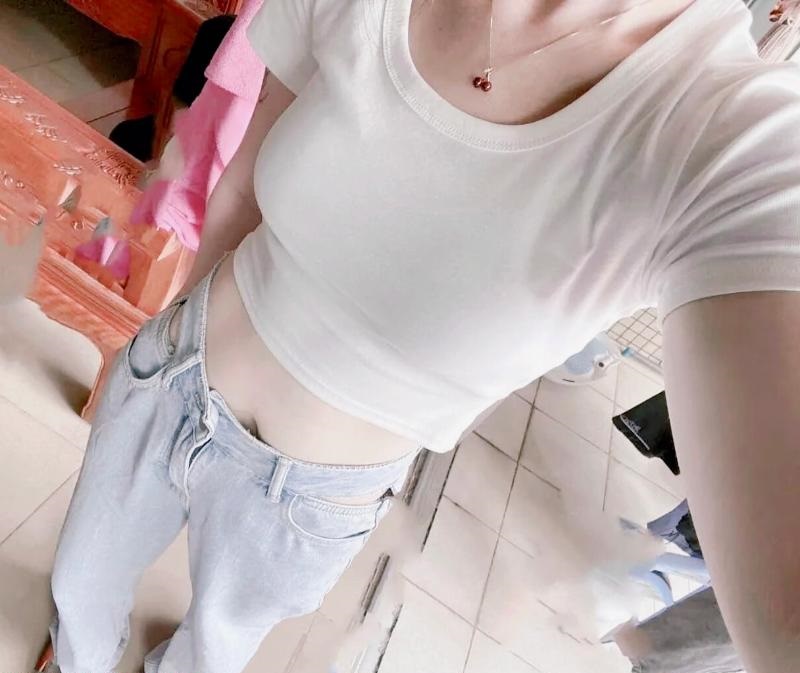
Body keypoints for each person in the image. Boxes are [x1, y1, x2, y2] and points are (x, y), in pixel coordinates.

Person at [46, 1, 800, 672]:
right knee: (81, 582)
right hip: (172, 371)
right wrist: (173, 329)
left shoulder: (733, 132)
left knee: (216, 646)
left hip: (308, 504)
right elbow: (241, 184)